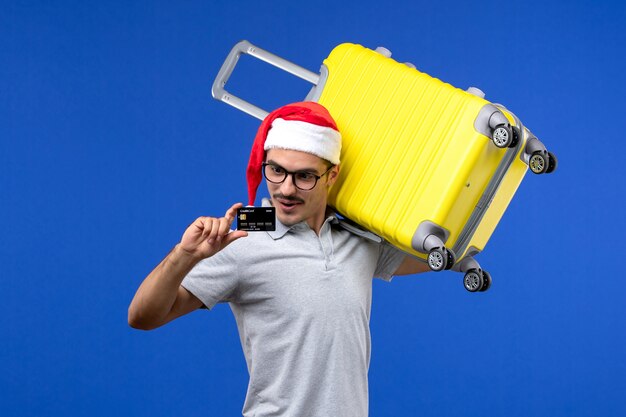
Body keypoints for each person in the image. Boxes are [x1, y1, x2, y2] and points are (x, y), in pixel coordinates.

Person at [128, 101, 429, 417]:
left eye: (304, 176)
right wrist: (183, 256)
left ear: (332, 175)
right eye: (275, 170)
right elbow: (142, 317)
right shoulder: (243, 237)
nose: (286, 189)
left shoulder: (357, 238)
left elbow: (443, 255)